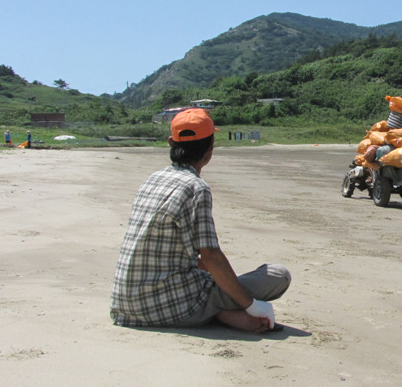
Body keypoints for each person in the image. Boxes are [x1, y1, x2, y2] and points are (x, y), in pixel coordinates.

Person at [110, 108, 290, 332]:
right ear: (211, 147)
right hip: (167, 304)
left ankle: (220, 312)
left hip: (125, 303)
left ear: (171, 143)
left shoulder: (153, 179)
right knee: (277, 275)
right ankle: (220, 312)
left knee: (204, 270)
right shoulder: (196, 188)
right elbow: (211, 256)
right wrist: (252, 306)